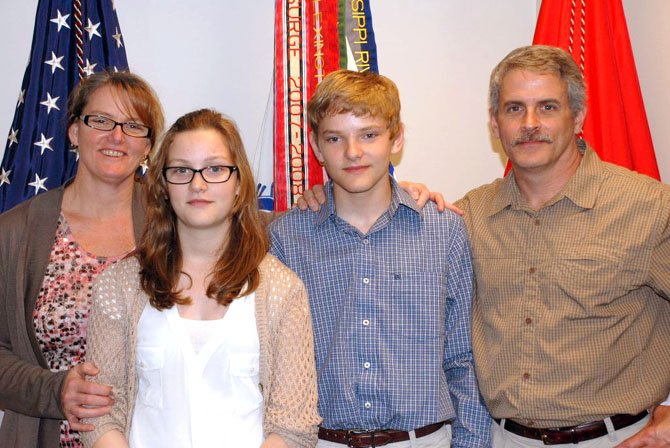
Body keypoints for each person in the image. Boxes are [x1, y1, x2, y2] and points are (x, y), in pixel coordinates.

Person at [454, 45, 670, 447]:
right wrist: (332, 198)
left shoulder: (650, 207)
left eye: (548, 107)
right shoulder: (470, 215)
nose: (530, 123)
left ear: (579, 117)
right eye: (514, 108)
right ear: (494, 123)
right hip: (503, 439)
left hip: (616, 438)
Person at [270, 69, 492, 447]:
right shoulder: (288, 237)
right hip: (323, 440)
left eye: (369, 135)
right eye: (335, 138)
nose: (353, 152)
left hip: (422, 439)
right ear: (316, 146)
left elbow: (463, 359)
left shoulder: (443, 229)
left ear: (397, 137)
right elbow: (275, 363)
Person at [81, 109, 320, 448]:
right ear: (163, 186)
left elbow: (294, 426)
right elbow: (100, 411)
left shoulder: (282, 291)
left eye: (215, 169)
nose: (198, 184)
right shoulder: (119, 286)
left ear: (239, 184)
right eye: (181, 170)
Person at [0, 70, 164, 447]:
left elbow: (248, 227)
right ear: (75, 132)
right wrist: (54, 390)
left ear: (148, 146)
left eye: (133, 125)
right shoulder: (16, 234)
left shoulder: (176, 224)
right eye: (101, 120)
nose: (116, 136)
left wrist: (315, 200)